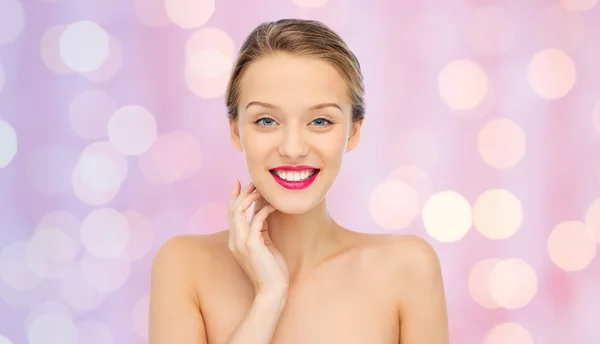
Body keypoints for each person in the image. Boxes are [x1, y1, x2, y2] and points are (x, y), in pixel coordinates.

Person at [149, 18, 449, 344]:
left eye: (320, 121)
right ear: (236, 131)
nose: (292, 149)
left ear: (354, 131)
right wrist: (269, 297)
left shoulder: (407, 269)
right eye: (266, 120)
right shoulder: (184, 266)